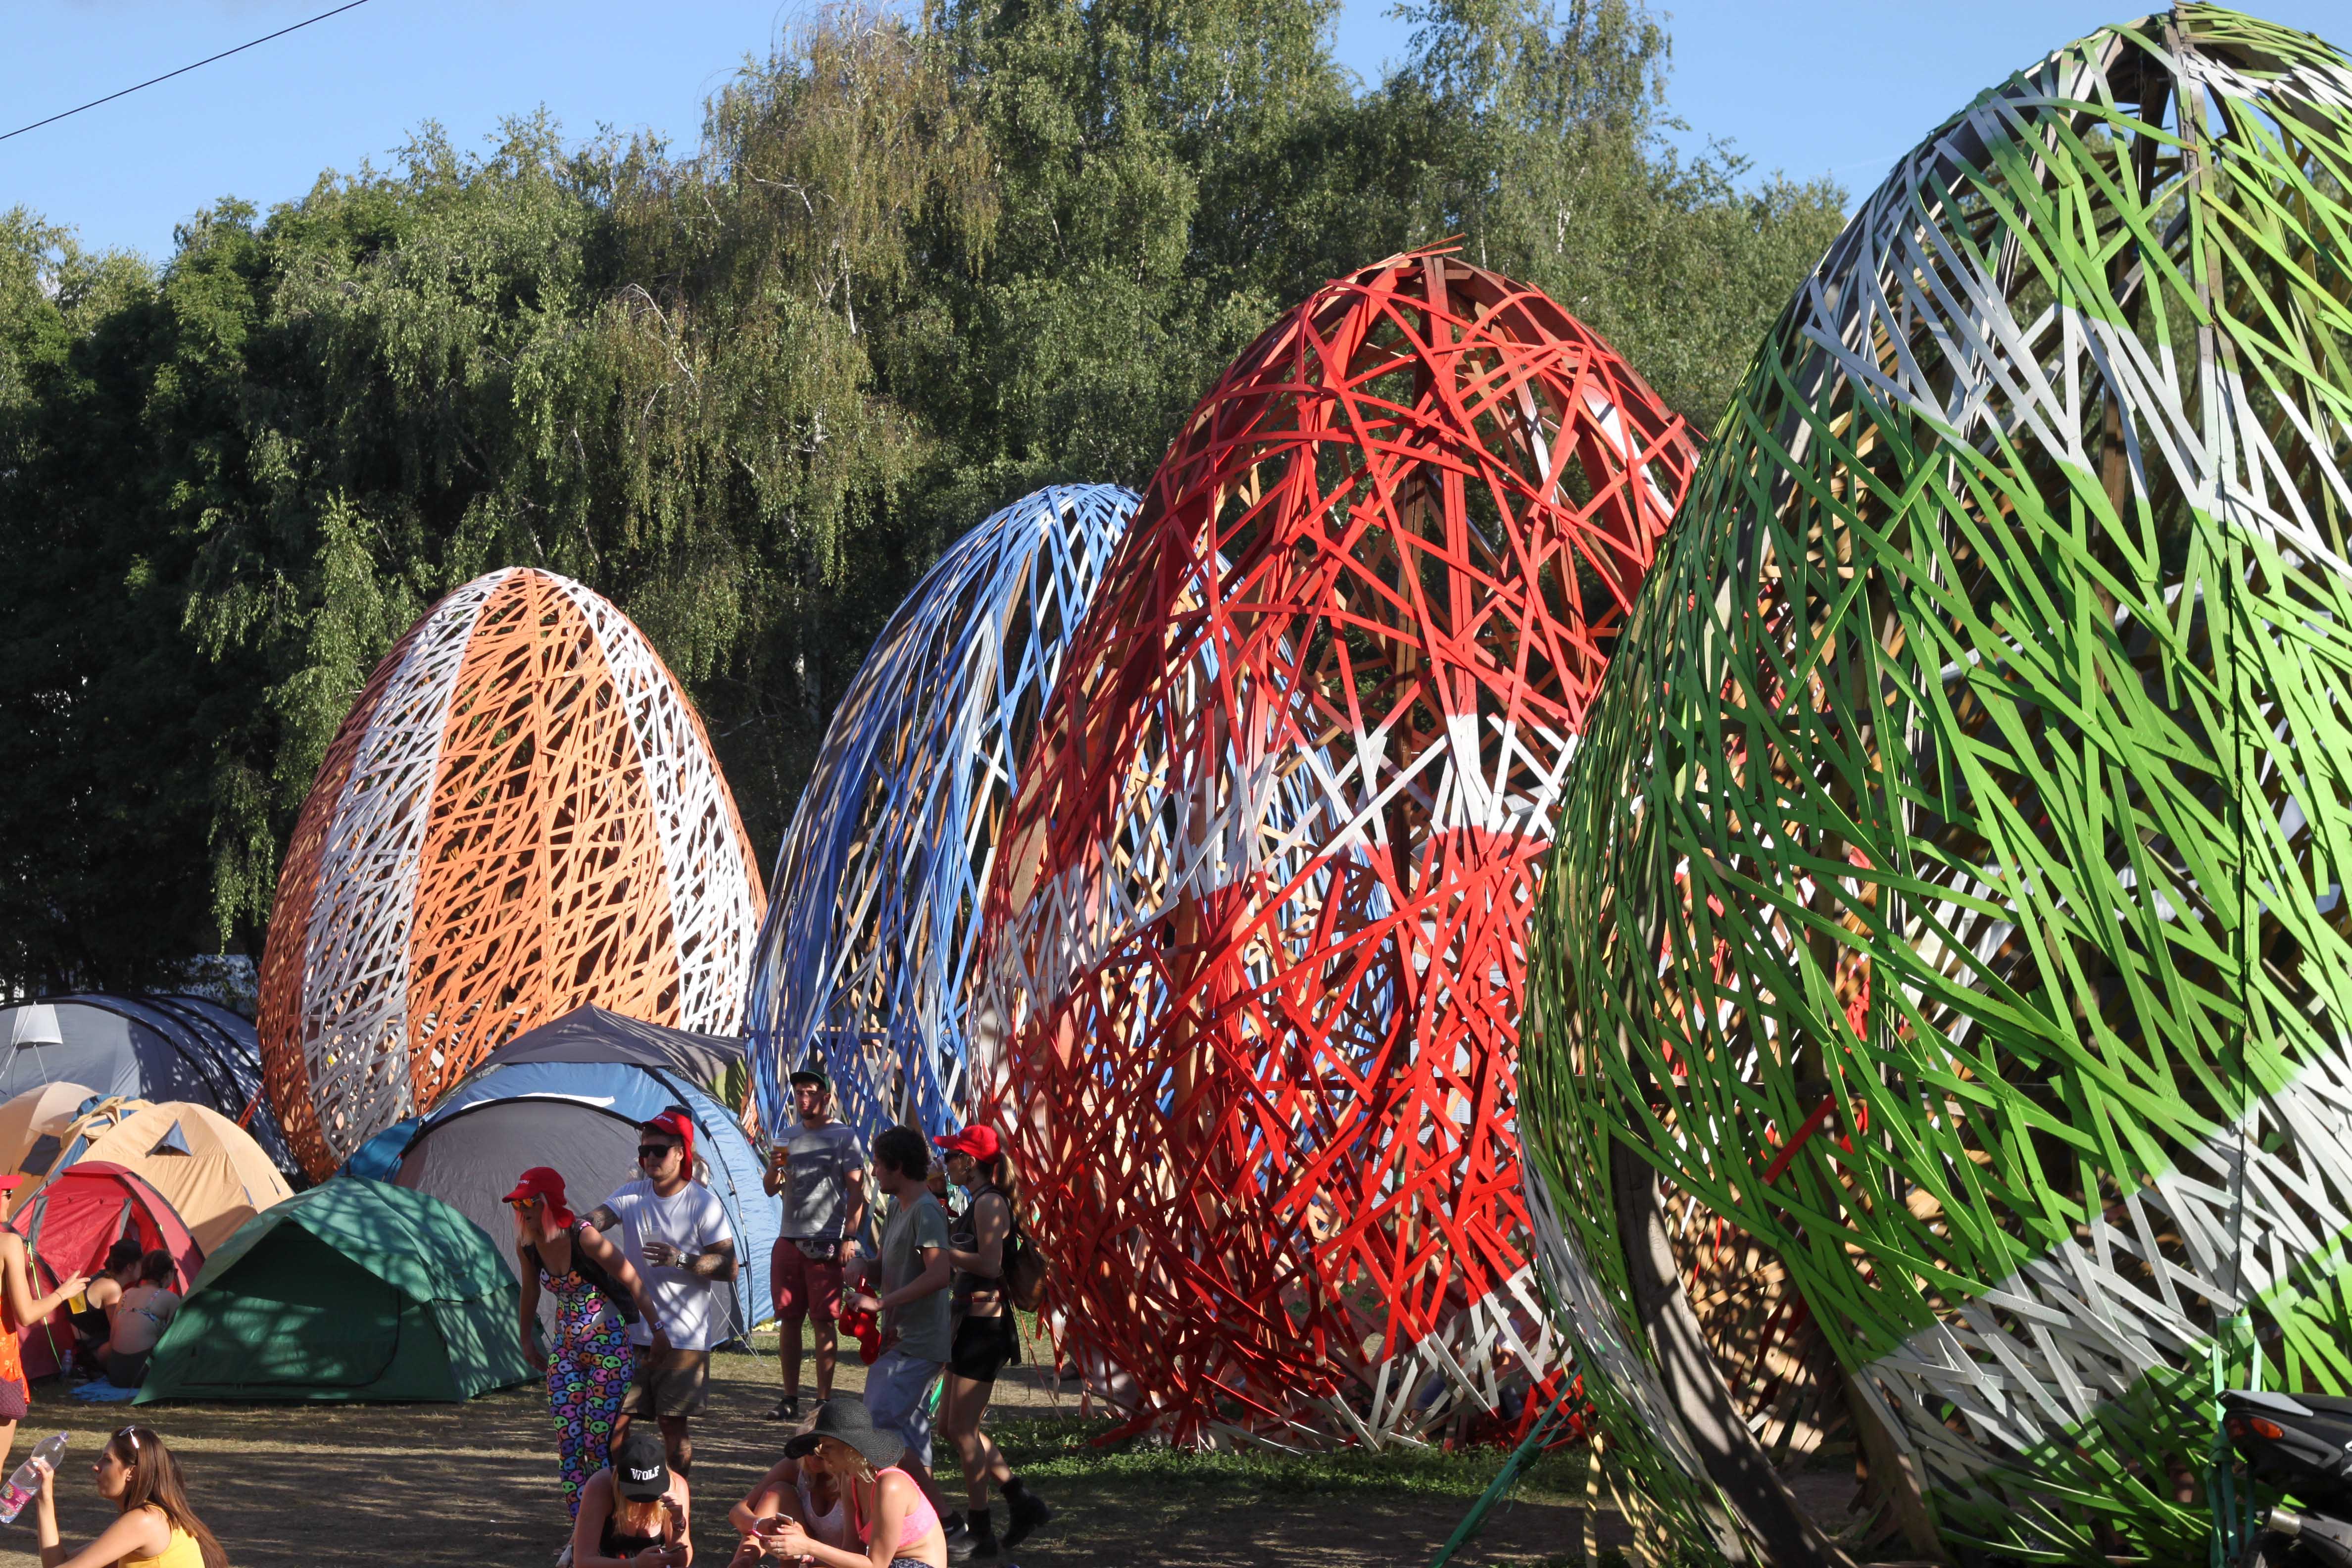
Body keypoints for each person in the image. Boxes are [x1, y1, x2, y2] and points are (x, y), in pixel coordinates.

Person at [586, 1108, 736, 1479]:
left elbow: (729, 1267)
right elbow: (596, 1219)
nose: (650, 1158)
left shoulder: (703, 1203)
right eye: (644, 1151)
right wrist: (575, 1226)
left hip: (683, 1338)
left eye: (659, 1150)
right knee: (616, 1423)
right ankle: (621, 1501)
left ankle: (676, 1500)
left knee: (672, 1426)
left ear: (681, 1153)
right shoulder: (632, 1195)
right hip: (632, 1334)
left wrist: (680, 1259)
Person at [509, 1166, 663, 1520]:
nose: (523, 1210)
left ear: (549, 1201)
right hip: (566, 1351)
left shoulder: (584, 1237)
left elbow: (632, 1279)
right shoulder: (528, 1244)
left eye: (530, 1202)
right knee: (569, 1443)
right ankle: (581, 1529)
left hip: (609, 1349)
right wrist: (525, 1339)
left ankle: (612, 1523)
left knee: (598, 1443)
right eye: (518, 1204)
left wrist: (658, 1330)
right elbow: (530, 1291)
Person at [933, 1127, 1052, 1556]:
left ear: (970, 1162)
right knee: (949, 1427)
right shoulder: (978, 1202)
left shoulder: (990, 1203)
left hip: (984, 1328)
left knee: (962, 1429)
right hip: (968, 1322)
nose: (946, 1162)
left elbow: (989, 1264)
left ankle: (981, 1530)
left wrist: (939, 1250)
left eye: (952, 1156)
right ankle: (1021, 1501)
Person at [844, 1127, 954, 1530]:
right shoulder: (898, 1207)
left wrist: (880, 1303)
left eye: (878, 1164)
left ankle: (945, 1519)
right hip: (900, 1339)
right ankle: (925, 1525)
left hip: (918, 1343)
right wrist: (864, 1267)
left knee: (877, 1430)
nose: (874, 1172)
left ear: (899, 1166)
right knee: (910, 1436)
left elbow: (939, 1274)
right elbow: (891, 1268)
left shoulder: (926, 1211)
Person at [764, 1063, 867, 1421]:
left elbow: (857, 1191)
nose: (804, 1098)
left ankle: (823, 1400)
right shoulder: (787, 1137)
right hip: (789, 1238)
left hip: (826, 1240)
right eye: (799, 1093)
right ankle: (789, 1397)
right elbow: (771, 1189)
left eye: (811, 1092)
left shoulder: (843, 1136)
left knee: (823, 1321)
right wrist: (774, 1168)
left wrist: (849, 1237)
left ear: (826, 1096)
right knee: (789, 1319)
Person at [754, 1399, 947, 1568]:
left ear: (851, 1448)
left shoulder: (891, 1485)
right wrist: (803, 1549)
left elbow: (876, 1565)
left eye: (828, 1446)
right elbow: (851, 1551)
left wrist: (808, 1546)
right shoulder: (851, 1480)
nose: (822, 1454)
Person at [31, 1423, 227, 1568]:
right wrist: (44, 1497)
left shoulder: (145, 1520)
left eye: (107, 1460)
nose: (96, 1466)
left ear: (132, 1472)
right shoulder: (155, 1517)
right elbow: (59, 1564)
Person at [0, 1214, 87, 1473]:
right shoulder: (8, 1243)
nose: (9, 1201)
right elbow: (26, 1314)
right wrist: (62, 1294)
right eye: (7, 1195)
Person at [569, 1426, 691, 1568]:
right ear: (619, 1476)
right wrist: (635, 1564)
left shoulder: (676, 1486)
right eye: (635, 1491)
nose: (641, 1502)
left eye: (651, 1491)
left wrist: (678, 1521)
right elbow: (583, 1562)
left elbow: (681, 1563)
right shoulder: (600, 1486)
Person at [724, 1450, 852, 1566]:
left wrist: (808, 1549)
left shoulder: (853, 1479)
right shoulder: (796, 1466)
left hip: (840, 1560)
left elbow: (859, 1556)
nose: (814, 1459)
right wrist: (761, 1524)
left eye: (821, 1455)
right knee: (778, 1492)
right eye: (809, 1451)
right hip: (804, 1553)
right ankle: (743, 1562)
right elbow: (736, 1513)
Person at [99, 1251, 181, 1390]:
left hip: (116, 1373)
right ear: (168, 1274)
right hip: (142, 1374)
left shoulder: (126, 1294)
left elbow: (112, 1340)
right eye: (175, 1272)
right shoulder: (170, 1298)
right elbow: (175, 1341)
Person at [69, 1241, 143, 1373]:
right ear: (130, 1267)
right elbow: (119, 1331)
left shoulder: (102, 1277)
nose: (143, 1269)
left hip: (81, 1347)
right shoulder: (112, 1288)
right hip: (88, 1353)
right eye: (141, 1263)